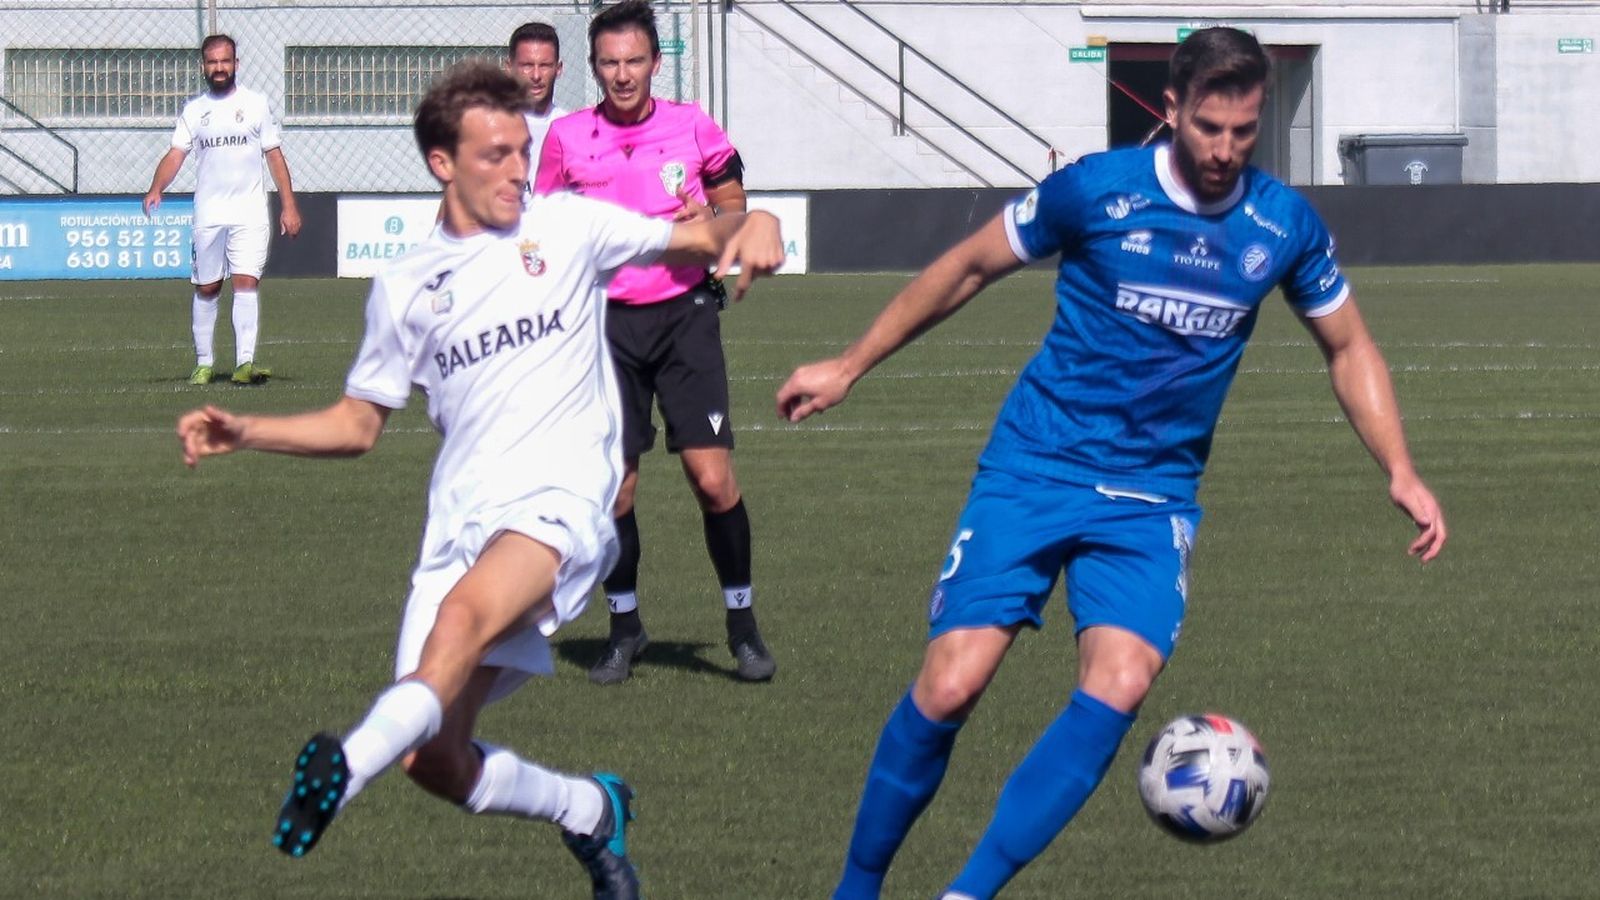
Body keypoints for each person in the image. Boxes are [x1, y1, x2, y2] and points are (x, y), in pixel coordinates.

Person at [776, 27, 1447, 900]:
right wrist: (849, 364)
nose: (1226, 150)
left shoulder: (1283, 224)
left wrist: (1399, 466)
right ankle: (855, 890)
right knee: (950, 686)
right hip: (1036, 465)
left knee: (1123, 681)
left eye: (1245, 131)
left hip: (1152, 497)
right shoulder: (1096, 190)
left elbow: (1348, 346)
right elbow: (969, 267)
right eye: (1209, 127)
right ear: (1171, 109)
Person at [175, 61, 783, 898]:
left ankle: (340, 772)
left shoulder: (566, 225)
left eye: (521, 151)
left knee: (460, 624)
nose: (516, 170)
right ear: (442, 163)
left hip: (563, 504)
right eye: (494, 155)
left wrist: (758, 221)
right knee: (433, 759)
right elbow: (357, 426)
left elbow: (705, 236)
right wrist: (249, 431)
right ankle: (587, 809)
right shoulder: (406, 285)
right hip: (459, 524)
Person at [535, 0, 774, 685]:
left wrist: (717, 221)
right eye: (609, 62)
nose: (622, 74)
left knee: (712, 479)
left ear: (655, 62)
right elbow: (541, 226)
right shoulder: (567, 138)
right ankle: (624, 627)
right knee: (616, 490)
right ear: (593, 67)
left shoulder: (692, 125)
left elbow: (734, 205)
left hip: (685, 317)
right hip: (604, 326)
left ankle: (742, 625)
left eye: (634, 60)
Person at [144, 33, 299, 386]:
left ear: (236, 64)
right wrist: (156, 188)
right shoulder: (194, 111)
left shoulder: (256, 104)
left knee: (246, 282)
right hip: (209, 213)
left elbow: (274, 155)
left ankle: (244, 363)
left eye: (225, 61)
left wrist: (289, 205)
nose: (219, 68)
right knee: (208, 287)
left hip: (250, 212)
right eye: (212, 62)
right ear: (203, 66)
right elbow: (175, 154)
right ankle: (204, 364)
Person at [507, 21, 567, 162]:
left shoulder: (571, 130)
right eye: (527, 65)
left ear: (558, 69)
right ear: (509, 68)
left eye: (544, 65)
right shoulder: (492, 127)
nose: (536, 76)